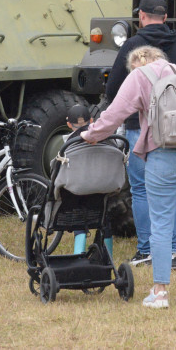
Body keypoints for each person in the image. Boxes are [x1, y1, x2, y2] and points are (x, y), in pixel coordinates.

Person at [81, 45, 176, 309]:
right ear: (161, 58)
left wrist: (91, 134)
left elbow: (114, 115)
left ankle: (160, 292)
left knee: (161, 223)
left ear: (136, 64)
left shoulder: (139, 77)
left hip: (162, 156)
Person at [105, 0, 176, 269]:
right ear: (165, 18)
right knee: (172, 189)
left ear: (141, 17)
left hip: (138, 128)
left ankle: (146, 249)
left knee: (141, 190)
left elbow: (113, 89)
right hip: (175, 129)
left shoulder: (133, 45)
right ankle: (174, 252)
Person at [65, 104, 113, 257]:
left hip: (78, 192)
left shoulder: (68, 146)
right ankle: (108, 255)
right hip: (102, 190)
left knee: (79, 216)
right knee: (104, 217)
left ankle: (78, 253)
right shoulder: (105, 140)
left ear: (68, 124)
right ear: (92, 120)